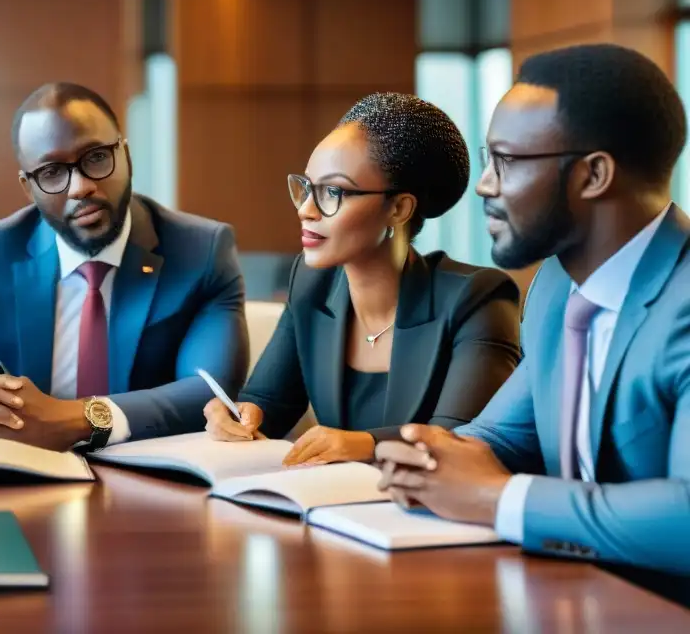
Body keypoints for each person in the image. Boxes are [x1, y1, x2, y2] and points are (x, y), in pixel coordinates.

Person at [374, 44, 690, 607]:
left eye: (507, 161)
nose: (485, 185)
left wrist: (498, 499)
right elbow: (503, 436)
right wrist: (430, 459)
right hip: (579, 601)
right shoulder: (555, 286)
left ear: (594, 174)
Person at [0, 82, 248, 454]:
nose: (80, 187)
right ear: (28, 187)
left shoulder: (200, 250)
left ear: (126, 156)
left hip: (156, 485)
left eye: (97, 157)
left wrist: (79, 419)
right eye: (52, 172)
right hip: (25, 483)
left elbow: (210, 390)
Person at [204, 92, 522, 465]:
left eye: (333, 192)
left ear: (399, 208)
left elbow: (462, 440)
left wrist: (367, 443)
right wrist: (239, 414)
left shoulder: (479, 298)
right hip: (332, 509)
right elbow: (270, 402)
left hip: (430, 514)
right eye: (306, 188)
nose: (306, 210)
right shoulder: (311, 283)